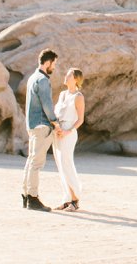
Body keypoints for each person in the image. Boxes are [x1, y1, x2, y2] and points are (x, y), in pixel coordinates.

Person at [21, 49, 61, 212]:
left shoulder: (32, 78)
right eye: (54, 64)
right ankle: (33, 197)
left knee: (31, 161)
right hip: (42, 125)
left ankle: (26, 195)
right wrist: (55, 122)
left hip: (32, 125)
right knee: (37, 163)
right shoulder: (43, 80)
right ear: (48, 62)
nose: (54, 67)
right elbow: (47, 104)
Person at [52, 68, 85, 211]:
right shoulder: (62, 94)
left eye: (69, 75)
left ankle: (75, 199)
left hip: (69, 133)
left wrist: (67, 131)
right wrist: (57, 127)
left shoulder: (78, 97)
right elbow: (57, 113)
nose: (65, 77)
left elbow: (80, 120)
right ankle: (67, 199)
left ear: (76, 79)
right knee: (60, 165)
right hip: (58, 131)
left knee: (66, 164)